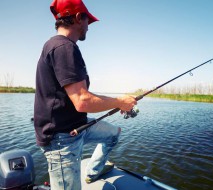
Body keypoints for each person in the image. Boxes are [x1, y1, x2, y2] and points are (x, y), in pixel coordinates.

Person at [33, 0, 137, 189]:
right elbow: (82, 101)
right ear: (78, 18)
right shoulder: (64, 47)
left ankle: (92, 171)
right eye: (88, 21)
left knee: (114, 134)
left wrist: (118, 103)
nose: (89, 27)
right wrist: (121, 101)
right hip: (61, 139)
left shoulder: (58, 45)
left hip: (77, 126)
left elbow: (79, 100)